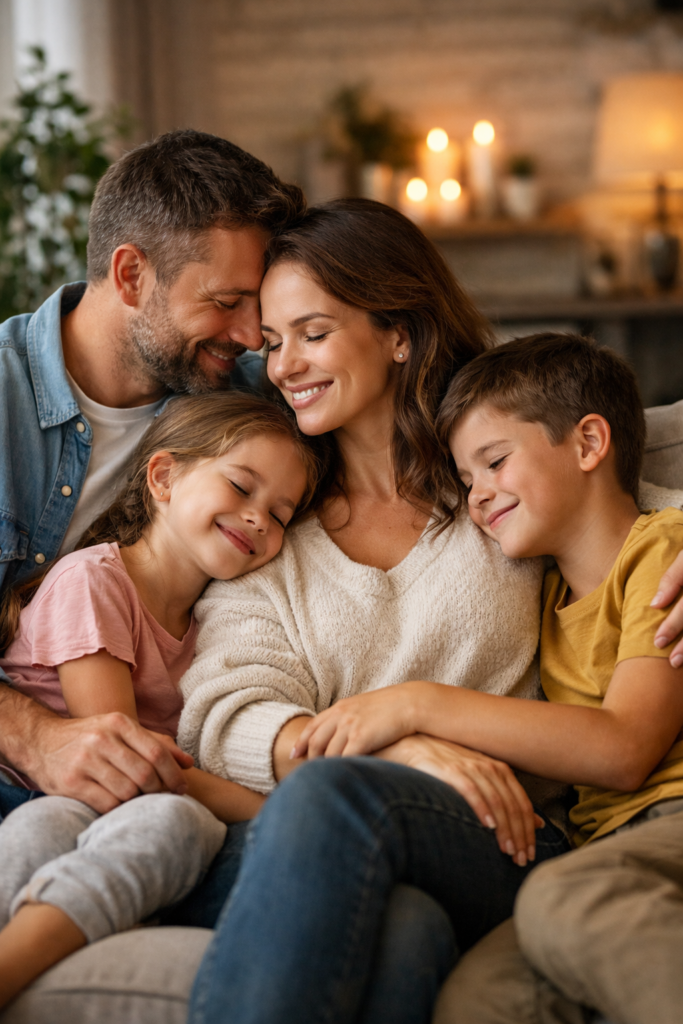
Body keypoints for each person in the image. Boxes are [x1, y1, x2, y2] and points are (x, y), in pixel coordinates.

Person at [176, 200, 573, 1024]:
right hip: (346, 858)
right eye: (274, 341)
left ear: (398, 331)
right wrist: (401, 740)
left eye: (312, 333)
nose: (284, 365)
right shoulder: (271, 523)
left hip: (508, 838)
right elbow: (222, 716)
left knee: (329, 794)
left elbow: (627, 502)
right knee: (404, 933)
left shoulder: (497, 473)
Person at [308, 331, 683, 1024]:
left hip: (667, 822)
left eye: (494, 462)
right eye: (466, 478)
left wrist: (416, 706)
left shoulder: (662, 550)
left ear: (588, 443)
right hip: (604, 849)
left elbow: (622, 747)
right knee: (482, 996)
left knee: (561, 899)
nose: (478, 496)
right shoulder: (541, 596)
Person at [0, 127, 305, 818]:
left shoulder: (247, 405)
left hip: (164, 790)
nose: (252, 334)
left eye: (257, 307)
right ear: (132, 273)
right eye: (227, 302)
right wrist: (39, 738)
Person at [0, 390, 316, 1009]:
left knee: (172, 824)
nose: (259, 519)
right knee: (162, 819)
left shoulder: (214, 625)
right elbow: (122, 763)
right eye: (241, 486)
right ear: (164, 476)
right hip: (43, 792)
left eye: (281, 514)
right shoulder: (94, 582)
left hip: (99, 809)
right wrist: (280, 809)